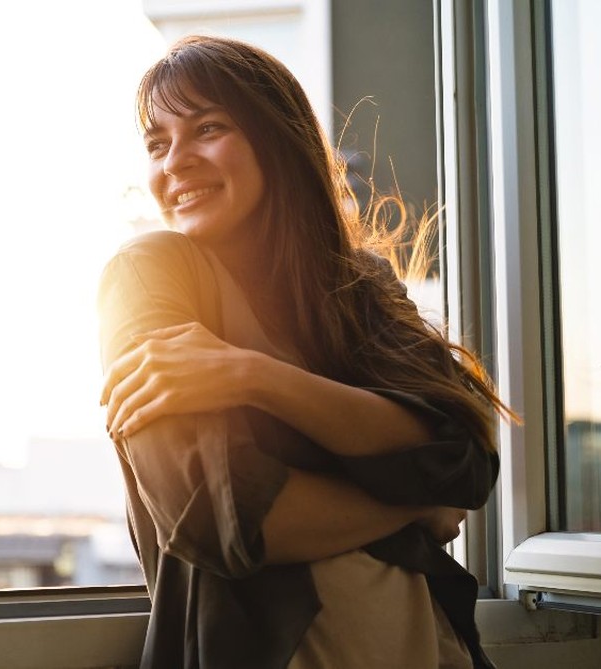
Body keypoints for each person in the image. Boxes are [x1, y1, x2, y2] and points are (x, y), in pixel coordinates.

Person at [97, 35, 513, 669]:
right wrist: (415, 501)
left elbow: (466, 459)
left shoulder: (360, 285)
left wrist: (254, 377)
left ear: (277, 140)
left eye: (207, 127)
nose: (174, 162)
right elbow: (227, 521)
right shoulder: (150, 273)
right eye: (157, 143)